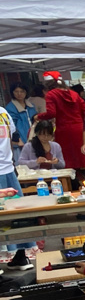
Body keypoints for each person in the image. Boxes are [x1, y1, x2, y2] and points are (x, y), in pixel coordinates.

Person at [36, 70, 85, 183]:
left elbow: (51, 113)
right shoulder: (74, 94)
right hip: (79, 129)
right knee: (82, 159)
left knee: (67, 161)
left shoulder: (51, 94)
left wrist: (38, 116)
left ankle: (72, 184)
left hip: (64, 130)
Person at [0, 107, 35, 270]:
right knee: (17, 214)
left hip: (6, 169)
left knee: (14, 215)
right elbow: (10, 136)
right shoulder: (3, 112)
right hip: (8, 168)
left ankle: (19, 256)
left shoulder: (3, 112)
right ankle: (20, 256)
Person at [5, 83, 35, 149]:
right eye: (16, 91)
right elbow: (11, 126)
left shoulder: (31, 106)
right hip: (21, 141)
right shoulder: (10, 108)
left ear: (26, 92)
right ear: (12, 93)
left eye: (22, 91)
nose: (19, 94)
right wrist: (18, 139)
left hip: (33, 137)